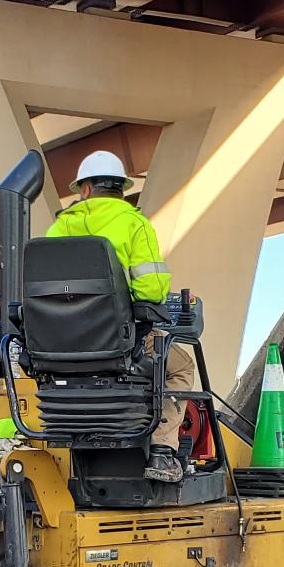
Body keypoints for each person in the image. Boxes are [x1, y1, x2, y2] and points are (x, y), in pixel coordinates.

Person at [46, 150, 195, 483]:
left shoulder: (58, 228)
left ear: (84, 190)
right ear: (121, 189)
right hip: (116, 341)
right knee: (181, 365)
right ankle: (163, 451)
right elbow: (152, 289)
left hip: (61, 345)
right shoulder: (134, 223)